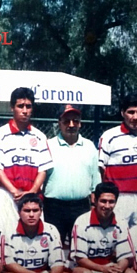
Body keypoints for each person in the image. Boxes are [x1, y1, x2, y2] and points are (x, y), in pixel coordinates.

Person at [1, 193, 74, 273]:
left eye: (35, 210)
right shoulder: (8, 230)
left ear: (41, 211)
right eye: (27, 210)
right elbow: (7, 262)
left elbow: (58, 262)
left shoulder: (51, 229)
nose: (31, 214)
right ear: (19, 212)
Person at [0, 87, 52, 242]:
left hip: (31, 196)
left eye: (28, 106)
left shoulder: (39, 136)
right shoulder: (0, 135)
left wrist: (32, 191)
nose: (25, 111)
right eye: (20, 106)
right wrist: (14, 191)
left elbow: (43, 169)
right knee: (4, 239)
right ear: (12, 108)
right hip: (7, 194)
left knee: (33, 240)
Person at [70, 182, 137, 273]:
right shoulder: (82, 221)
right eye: (103, 201)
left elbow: (126, 256)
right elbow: (80, 259)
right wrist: (102, 269)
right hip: (84, 267)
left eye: (111, 202)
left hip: (107, 268)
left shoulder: (121, 222)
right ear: (95, 200)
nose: (107, 206)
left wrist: (119, 269)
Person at [99, 93, 137, 227]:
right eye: (131, 112)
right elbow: (101, 169)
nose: (135, 117)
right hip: (119, 197)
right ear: (123, 113)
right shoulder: (110, 136)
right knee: (117, 234)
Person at [44, 104, 100, 246]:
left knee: (80, 248)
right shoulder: (48, 146)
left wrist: (94, 205)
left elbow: (96, 181)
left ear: (80, 123)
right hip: (54, 207)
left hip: (81, 207)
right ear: (59, 123)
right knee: (54, 247)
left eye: (75, 121)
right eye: (66, 121)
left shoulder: (89, 147)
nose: (71, 125)